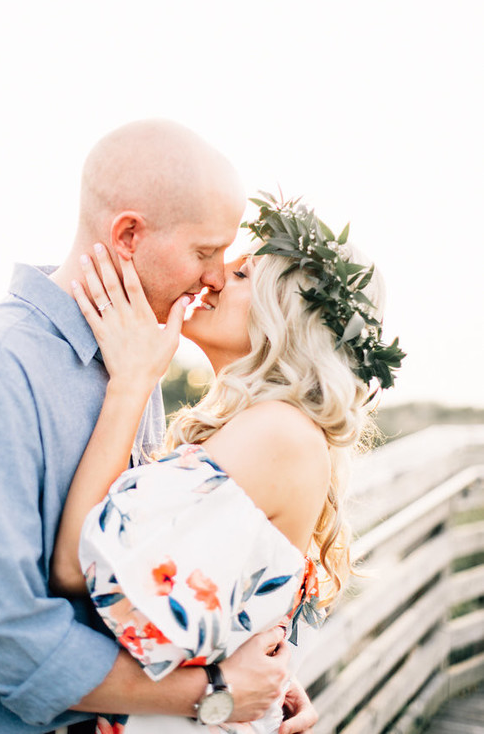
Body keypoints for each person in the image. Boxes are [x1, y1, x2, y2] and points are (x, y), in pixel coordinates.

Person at [0, 122, 316, 734]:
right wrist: (212, 693)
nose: (215, 277)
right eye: (205, 253)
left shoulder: (134, 362)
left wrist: (256, 675)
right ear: (128, 235)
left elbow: (144, 580)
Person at [50, 195, 406, 733]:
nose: (213, 279)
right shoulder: (270, 429)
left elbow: (75, 566)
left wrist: (130, 382)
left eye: (241, 274)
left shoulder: (278, 433)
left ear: (285, 316)